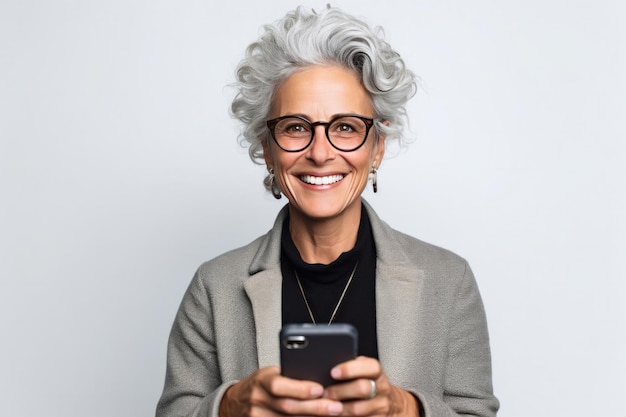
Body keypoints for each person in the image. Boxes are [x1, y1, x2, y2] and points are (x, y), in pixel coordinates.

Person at [156, 6, 499, 417]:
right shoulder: (214, 285)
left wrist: (404, 409)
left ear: (378, 148)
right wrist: (228, 406)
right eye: (296, 127)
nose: (320, 153)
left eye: (346, 127)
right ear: (267, 149)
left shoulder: (449, 279)